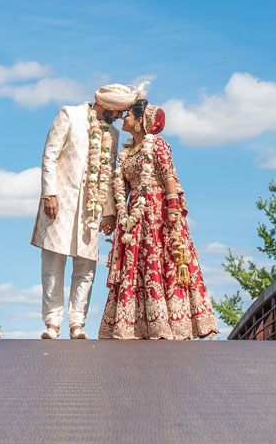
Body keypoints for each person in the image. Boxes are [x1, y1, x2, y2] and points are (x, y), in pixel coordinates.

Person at [97, 94, 220, 340]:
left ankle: (167, 324)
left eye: (129, 114)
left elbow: (170, 177)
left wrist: (173, 210)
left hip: (159, 214)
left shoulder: (159, 145)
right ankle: (136, 325)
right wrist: (117, 214)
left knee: (161, 262)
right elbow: (120, 187)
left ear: (141, 121)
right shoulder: (128, 152)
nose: (124, 117)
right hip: (134, 217)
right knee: (136, 266)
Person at [33, 82, 136, 338]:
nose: (121, 117)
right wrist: (49, 193)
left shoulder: (112, 134)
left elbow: (110, 172)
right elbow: (50, 155)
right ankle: (52, 323)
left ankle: (77, 323)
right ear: (106, 105)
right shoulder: (70, 114)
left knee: (86, 266)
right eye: (119, 111)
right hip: (60, 200)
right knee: (53, 263)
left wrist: (109, 211)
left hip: (92, 206)